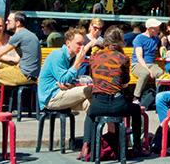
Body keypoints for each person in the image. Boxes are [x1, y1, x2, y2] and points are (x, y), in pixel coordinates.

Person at [81, 26, 143, 160]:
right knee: (136, 110)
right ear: (120, 41)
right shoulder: (123, 58)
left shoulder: (94, 56)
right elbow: (125, 81)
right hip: (117, 105)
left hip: (98, 104)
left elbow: (92, 77)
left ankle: (86, 145)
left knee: (90, 113)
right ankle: (137, 146)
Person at [0, 11, 41, 110]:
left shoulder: (18, 35)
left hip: (25, 75)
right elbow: (14, 57)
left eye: (9, 21)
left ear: (17, 23)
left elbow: (0, 53)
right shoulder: (28, 34)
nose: (6, 23)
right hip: (30, 73)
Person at [37, 28, 93, 112]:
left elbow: (68, 81)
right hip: (51, 97)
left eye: (83, 44)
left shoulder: (72, 57)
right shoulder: (58, 55)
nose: (82, 47)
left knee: (91, 104)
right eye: (79, 44)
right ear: (68, 43)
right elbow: (64, 79)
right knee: (90, 90)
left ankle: (108, 120)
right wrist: (77, 63)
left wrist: (71, 84)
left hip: (64, 93)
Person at [131, 17, 163, 103]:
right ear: (149, 29)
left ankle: (158, 96)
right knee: (144, 73)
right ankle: (136, 97)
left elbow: (161, 47)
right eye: (156, 28)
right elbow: (139, 56)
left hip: (151, 64)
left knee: (160, 73)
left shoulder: (156, 38)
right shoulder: (139, 38)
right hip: (137, 64)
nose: (158, 29)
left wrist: (162, 49)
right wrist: (148, 69)